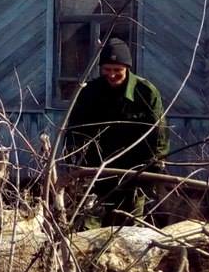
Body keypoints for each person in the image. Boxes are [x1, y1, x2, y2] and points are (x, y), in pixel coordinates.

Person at [65, 38, 169, 226]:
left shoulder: (146, 92)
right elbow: (75, 131)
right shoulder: (89, 93)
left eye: (117, 70)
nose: (112, 75)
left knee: (129, 231)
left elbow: (159, 135)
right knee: (88, 229)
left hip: (134, 174)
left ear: (127, 68)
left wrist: (153, 171)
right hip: (96, 173)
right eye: (107, 69)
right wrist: (74, 165)